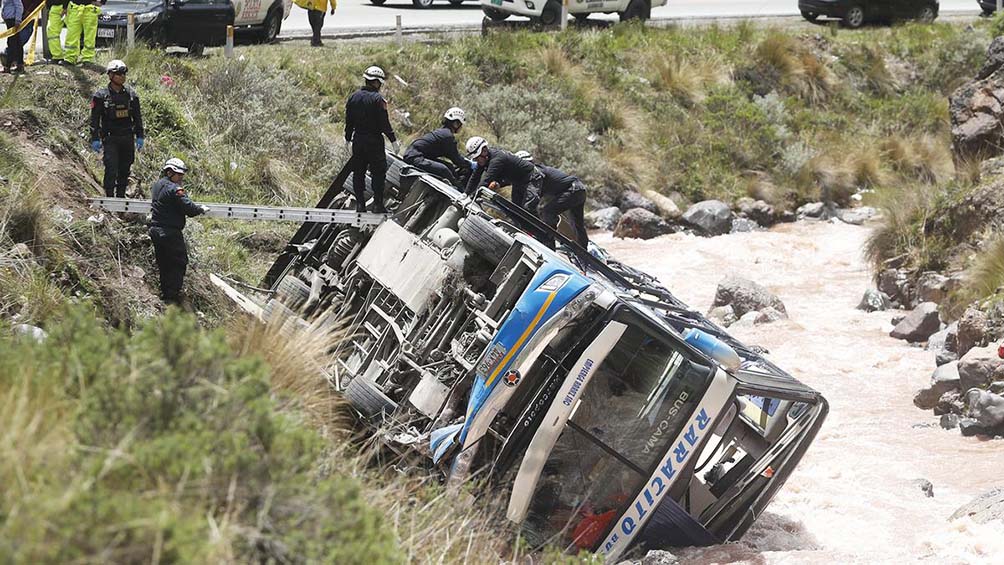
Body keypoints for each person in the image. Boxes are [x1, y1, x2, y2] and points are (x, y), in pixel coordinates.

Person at [149, 158, 209, 305]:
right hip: (170, 233)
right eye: (178, 175)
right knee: (178, 263)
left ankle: (165, 293)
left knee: (163, 263)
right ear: (169, 172)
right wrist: (200, 209)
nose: (181, 178)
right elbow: (189, 208)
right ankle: (172, 297)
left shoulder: (157, 185)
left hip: (155, 230)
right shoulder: (174, 189)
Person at [344, 65, 398, 214]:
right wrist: (393, 139)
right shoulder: (378, 99)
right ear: (376, 82)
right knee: (378, 173)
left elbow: (349, 121)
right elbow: (384, 123)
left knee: (359, 172)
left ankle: (360, 205)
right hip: (374, 141)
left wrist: (348, 139)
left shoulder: (353, 97)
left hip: (358, 140)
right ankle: (377, 205)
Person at [89, 59, 144, 198]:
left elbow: (137, 117)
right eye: (119, 73)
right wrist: (95, 138)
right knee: (111, 169)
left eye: (124, 73)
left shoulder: (131, 95)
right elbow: (95, 120)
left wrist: (140, 136)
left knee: (124, 170)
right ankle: (109, 198)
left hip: (127, 137)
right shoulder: (101, 96)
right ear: (110, 75)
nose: (122, 76)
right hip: (110, 138)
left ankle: (120, 199)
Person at [516, 152, 589, 250]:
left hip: (573, 190)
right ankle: (584, 250)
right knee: (576, 223)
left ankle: (550, 245)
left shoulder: (537, 173)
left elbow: (532, 200)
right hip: (579, 190)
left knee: (548, 211)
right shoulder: (535, 174)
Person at [464, 136, 541, 213]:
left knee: (528, 208)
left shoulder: (497, 159)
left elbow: (486, 181)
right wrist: (465, 194)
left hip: (532, 178)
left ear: (484, 151)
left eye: (477, 158)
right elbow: (475, 177)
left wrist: (471, 198)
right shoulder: (484, 158)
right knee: (516, 210)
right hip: (518, 180)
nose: (476, 161)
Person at [402, 107, 472, 188]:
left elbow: (452, 155)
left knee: (449, 167)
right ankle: (459, 191)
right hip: (415, 157)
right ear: (456, 124)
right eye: (460, 124)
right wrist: (470, 164)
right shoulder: (448, 136)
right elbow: (456, 159)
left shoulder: (443, 132)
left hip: (415, 155)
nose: (461, 127)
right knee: (444, 169)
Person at [63, 0, 102, 66]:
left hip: (90, 8)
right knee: (72, 35)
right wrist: (65, 6)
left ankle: (87, 59)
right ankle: (70, 58)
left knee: (90, 37)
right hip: (75, 7)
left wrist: (102, 2)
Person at [1, 0, 23, 73]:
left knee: (12, 42)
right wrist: (3, 13)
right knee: (16, 42)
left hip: (13, 21)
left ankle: (8, 66)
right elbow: (5, 5)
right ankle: (19, 65)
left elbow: (19, 6)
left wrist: (17, 20)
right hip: (9, 20)